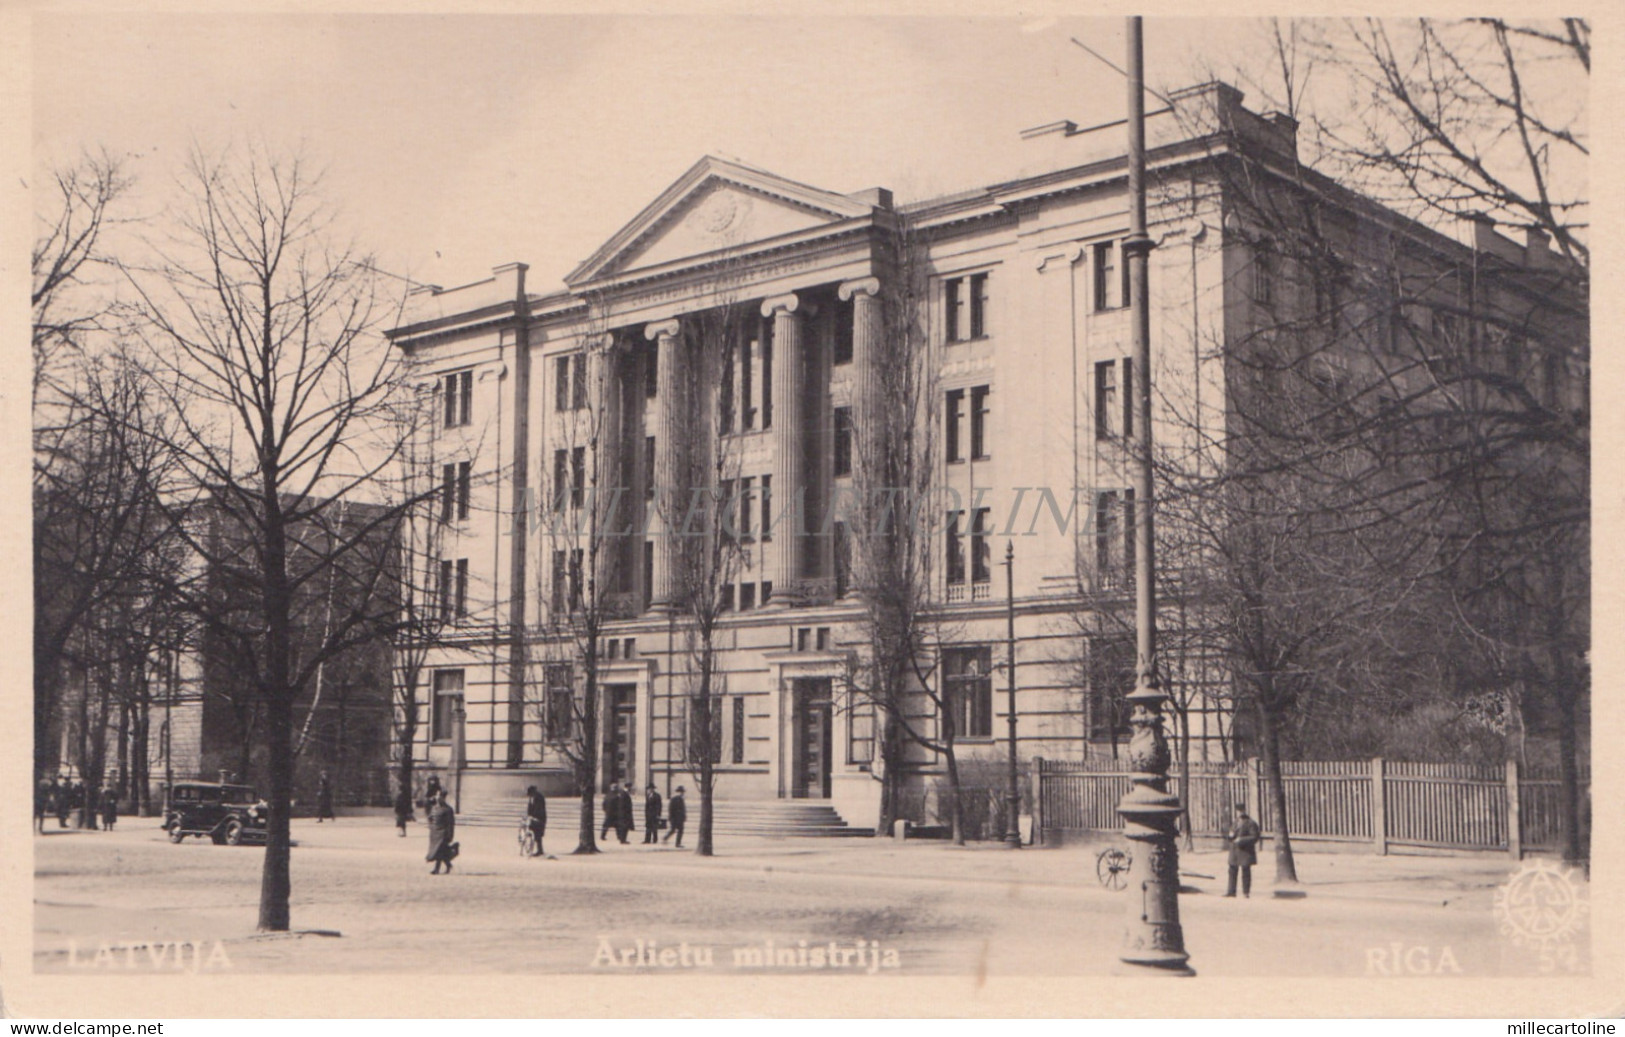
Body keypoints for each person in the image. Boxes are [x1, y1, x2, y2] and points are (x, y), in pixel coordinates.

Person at [1223, 802, 1262, 898]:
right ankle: (1231, 891)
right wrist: (1229, 836)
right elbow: (1229, 834)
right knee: (1232, 870)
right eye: (1238, 811)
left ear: (1244, 810)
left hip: (1245, 851)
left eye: (1241, 811)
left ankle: (1246, 892)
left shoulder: (1251, 823)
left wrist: (1242, 840)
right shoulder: (1235, 822)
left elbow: (1255, 837)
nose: (1239, 813)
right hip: (1234, 851)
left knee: (1245, 871)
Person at [426, 788, 457, 875]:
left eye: (439, 795)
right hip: (434, 833)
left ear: (444, 797)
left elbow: (451, 823)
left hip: (443, 833)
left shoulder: (448, 809)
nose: (437, 797)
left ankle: (436, 869)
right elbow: (430, 818)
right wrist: (431, 826)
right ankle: (448, 865)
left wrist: (450, 835)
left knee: (439, 851)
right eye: (437, 795)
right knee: (440, 851)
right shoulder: (434, 808)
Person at [525, 786, 547, 857]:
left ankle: (540, 850)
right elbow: (529, 808)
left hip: (540, 818)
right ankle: (535, 849)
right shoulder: (532, 798)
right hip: (534, 818)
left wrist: (534, 816)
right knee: (533, 833)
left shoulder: (539, 797)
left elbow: (539, 808)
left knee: (538, 834)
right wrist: (529, 815)